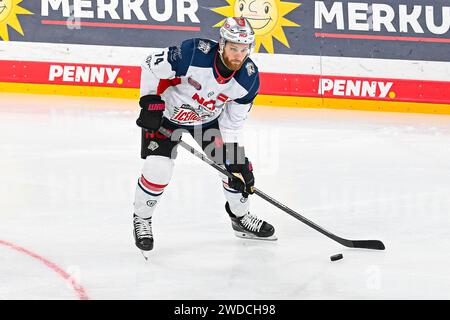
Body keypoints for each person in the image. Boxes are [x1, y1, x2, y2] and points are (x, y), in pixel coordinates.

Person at [133, 17, 277, 254]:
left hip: (206, 122)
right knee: (158, 169)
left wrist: (235, 159)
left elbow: (232, 125)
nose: (238, 55)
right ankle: (142, 218)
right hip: (165, 116)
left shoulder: (248, 79)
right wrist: (149, 101)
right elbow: (149, 64)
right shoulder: (193, 54)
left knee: (234, 170)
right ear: (222, 44)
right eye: (233, 48)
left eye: (243, 49)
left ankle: (240, 217)